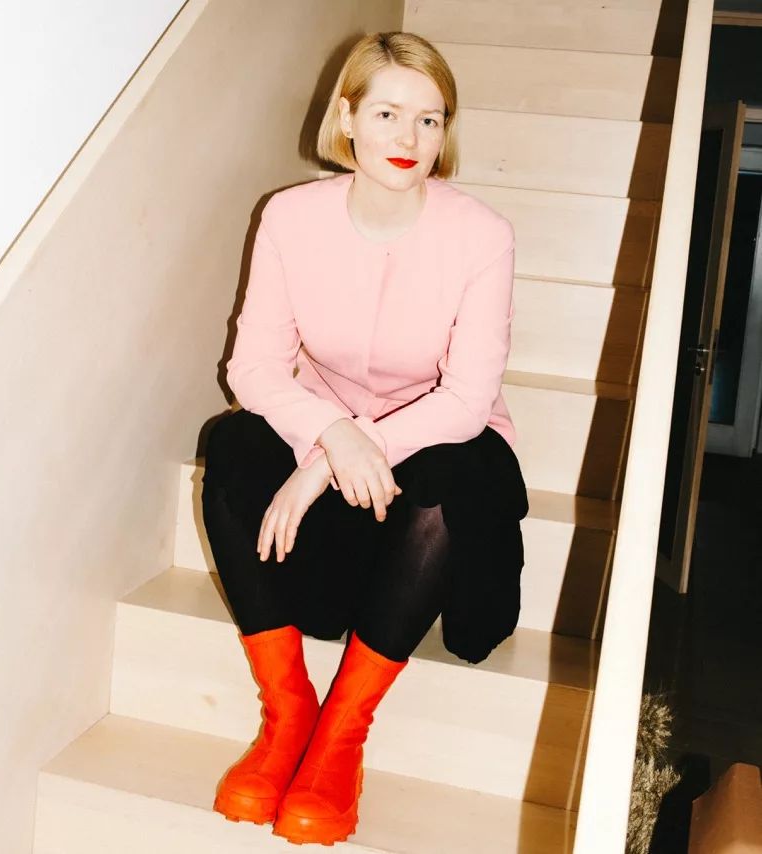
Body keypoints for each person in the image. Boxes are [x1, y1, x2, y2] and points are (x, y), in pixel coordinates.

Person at [201, 31, 529, 846]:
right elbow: (253, 367)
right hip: (347, 485)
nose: (410, 138)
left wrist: (327, 459)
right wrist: (330, 435)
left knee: (461, 473)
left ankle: (340, 738)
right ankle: (289, 718)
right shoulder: (290, 217)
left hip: (438, 494)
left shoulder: (481, 235)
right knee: (232, 445)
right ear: (346, 117)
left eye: (430, 119)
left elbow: (465, 401)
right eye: (386, 114)